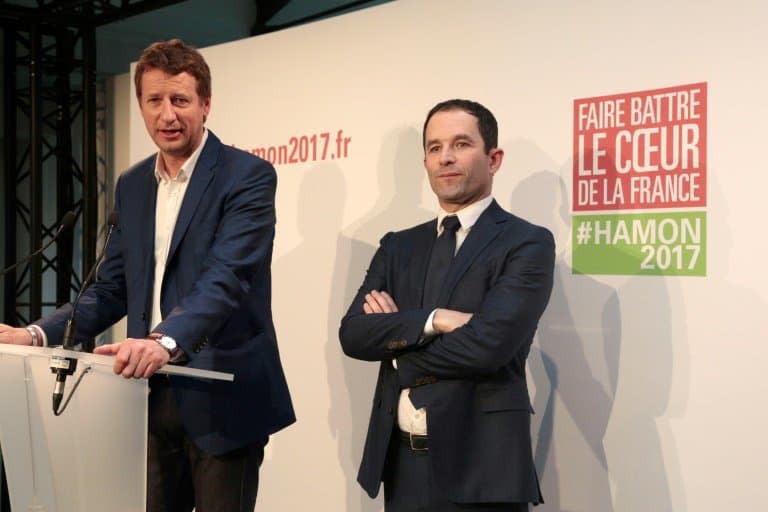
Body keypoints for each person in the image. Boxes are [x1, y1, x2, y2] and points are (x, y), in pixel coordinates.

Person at [0, 39, 295, 512]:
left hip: (225, 395)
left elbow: (226, 279)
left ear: (205, 105)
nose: (167, 114)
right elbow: (111, 289)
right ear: (141, 105)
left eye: (180, 100)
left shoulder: (247, 176)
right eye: (154, 101)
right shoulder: (133, 184)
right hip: (148, 399)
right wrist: (35, 335)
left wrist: (163, 341)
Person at [339, 99, 554, 511]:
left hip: (483, 469)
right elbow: (354, 334)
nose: (446, 157)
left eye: (461, 144)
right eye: (434, 147)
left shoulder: (527, 243)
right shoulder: (397, 246)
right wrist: (434, 320)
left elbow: (490, 344)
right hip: (401, 465)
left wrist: (401, 350)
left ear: (494, 158)